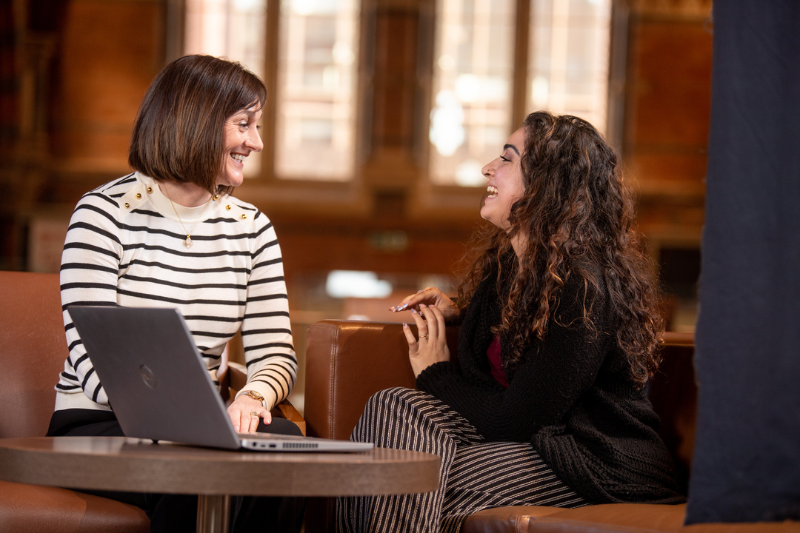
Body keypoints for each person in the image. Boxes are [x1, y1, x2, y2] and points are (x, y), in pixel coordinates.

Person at [337, 111, 684, 533]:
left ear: (547, 185)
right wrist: (462, 310)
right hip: (534, 443)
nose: (488, 168)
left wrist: (435, 373)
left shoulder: (583, 288)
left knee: (408, 479)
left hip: (595, 461)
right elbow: (520, 339)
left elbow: (514, 421)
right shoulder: (507, 270)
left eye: (506, 159)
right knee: (391, 406)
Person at [46, 55, 302, 532]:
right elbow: (92, 357)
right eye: (244, 124)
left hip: (202, 429)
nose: (256, 142)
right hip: (99, 423)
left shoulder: (253, 229)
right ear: (197, 122)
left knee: (285, 448)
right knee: (193, 467)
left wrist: (252, 397)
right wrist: (183, 423)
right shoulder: (102, 213)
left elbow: (275, 354)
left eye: (257, 126)